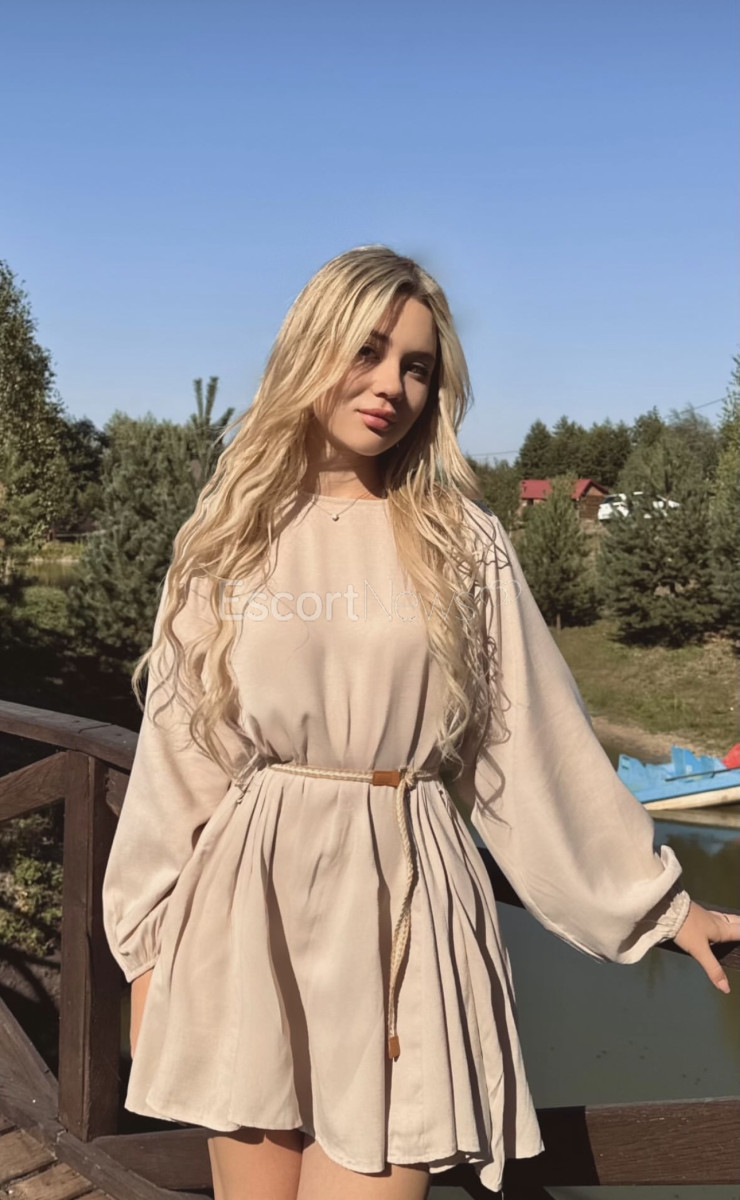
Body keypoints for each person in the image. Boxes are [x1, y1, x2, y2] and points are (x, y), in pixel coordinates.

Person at [101, 244, 738, 1200]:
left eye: (417, 367)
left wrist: (659, 905)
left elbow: (533, 745)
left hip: (406, 907)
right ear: (311, 348)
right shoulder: (229, 534)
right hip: (246, 911)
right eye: (367, 351)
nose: (391, 386)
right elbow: (181, 754)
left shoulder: (460, 541)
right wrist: (148, 948)